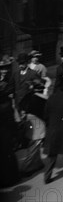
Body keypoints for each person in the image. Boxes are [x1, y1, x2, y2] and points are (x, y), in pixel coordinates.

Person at [0, 56, 20, 187]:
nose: (4, 71)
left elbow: (11, 93)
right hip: (3, 120)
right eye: (2, 69)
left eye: (6, 68)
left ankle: (11, 177)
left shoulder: (9, 81)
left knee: (7, 152)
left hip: (6, 121)